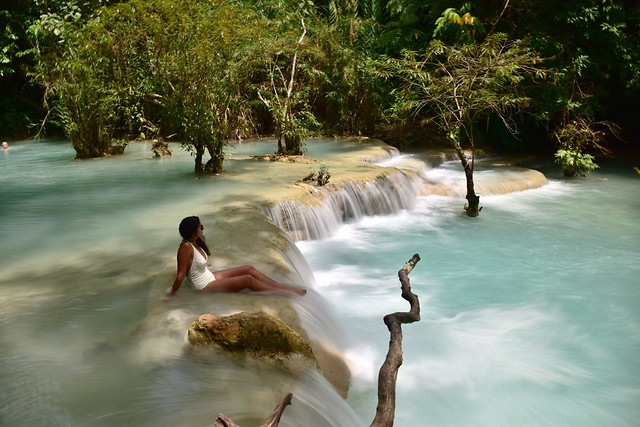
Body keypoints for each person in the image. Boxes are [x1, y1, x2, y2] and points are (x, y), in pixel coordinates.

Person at [165, 216, 305, 300]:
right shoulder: (185, 247)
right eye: (200, 226)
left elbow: (192, 262)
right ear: (193, 231)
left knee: (248, 268)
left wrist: (202, 265)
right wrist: (171, 294)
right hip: (203, 286)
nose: (203, 227)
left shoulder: (195, 243)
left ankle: (279, 285)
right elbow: (180, 275)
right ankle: (285, 293)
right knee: (247, 280)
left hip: (209, 276)